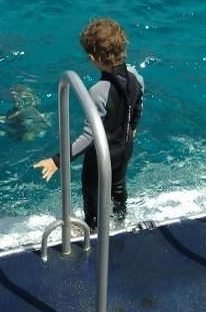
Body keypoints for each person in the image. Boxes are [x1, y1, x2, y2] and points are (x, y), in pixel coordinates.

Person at [34, 17, 144, 231]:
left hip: (102, 154)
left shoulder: (97, 91)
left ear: (93, 57)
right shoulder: (136, 76)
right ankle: (121, 219)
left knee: (91, 190)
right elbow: (138, 104)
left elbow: (89, 136)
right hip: (125, 146)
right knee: (118, 184)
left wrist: (58, 160)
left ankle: (91, 227)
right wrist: (132, 128)